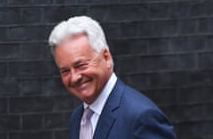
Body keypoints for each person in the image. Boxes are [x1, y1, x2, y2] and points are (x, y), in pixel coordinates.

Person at [48, 16, 177, 139]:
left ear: (106, 57)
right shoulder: (77, 118)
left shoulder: (141, 117)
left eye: (81, 65)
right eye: (65, 71)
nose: (74, 77)